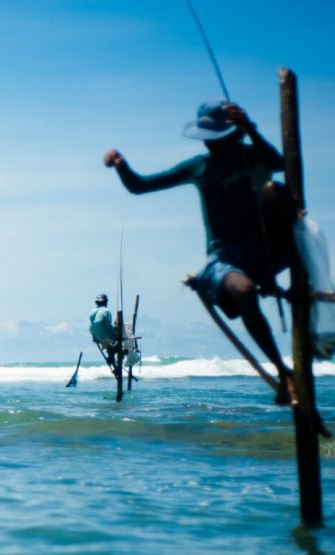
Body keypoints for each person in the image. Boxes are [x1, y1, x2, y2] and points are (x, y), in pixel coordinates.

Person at [103, 100, 296, 405]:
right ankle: (284, 372)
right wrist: (121, 166)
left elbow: (282, 164)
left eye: (219, 136)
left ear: (234, 133)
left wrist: (253, 131)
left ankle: (267, 280)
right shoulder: (199, 167)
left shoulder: (251, 155)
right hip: (225, 259)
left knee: (277, 192)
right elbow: (140, 186)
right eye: (208, 138)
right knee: (243, 290)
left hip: (264, 251)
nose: (212, 144)